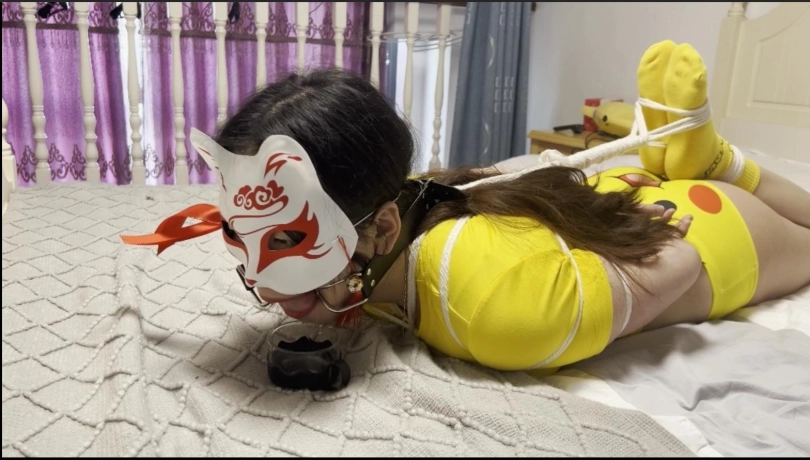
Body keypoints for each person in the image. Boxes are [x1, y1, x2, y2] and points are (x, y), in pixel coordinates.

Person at [123, 41, 810, 374]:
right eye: (238, 235)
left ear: (382, 227)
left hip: (719, 236)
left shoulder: (491, 314)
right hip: (617, 200)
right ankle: (687, 155)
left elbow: (679, 260)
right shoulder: (401, 199)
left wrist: (654, 236)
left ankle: (717, 162)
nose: (263, 284)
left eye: (288, 249)